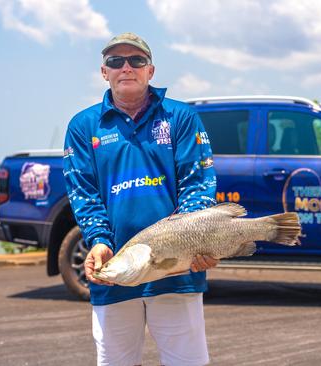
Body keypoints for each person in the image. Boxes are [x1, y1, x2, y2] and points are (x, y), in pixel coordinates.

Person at [63, 32, 218, 366]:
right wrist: (99, 241)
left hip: (176, 273)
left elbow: (198, 184)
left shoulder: (180, 117)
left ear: (151, 70)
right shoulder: (83, 126)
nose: (126, 68)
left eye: (136, 60)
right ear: (104, 72)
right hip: (114, 270)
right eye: (115, 61)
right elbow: (84, 194)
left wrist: (194, 243)